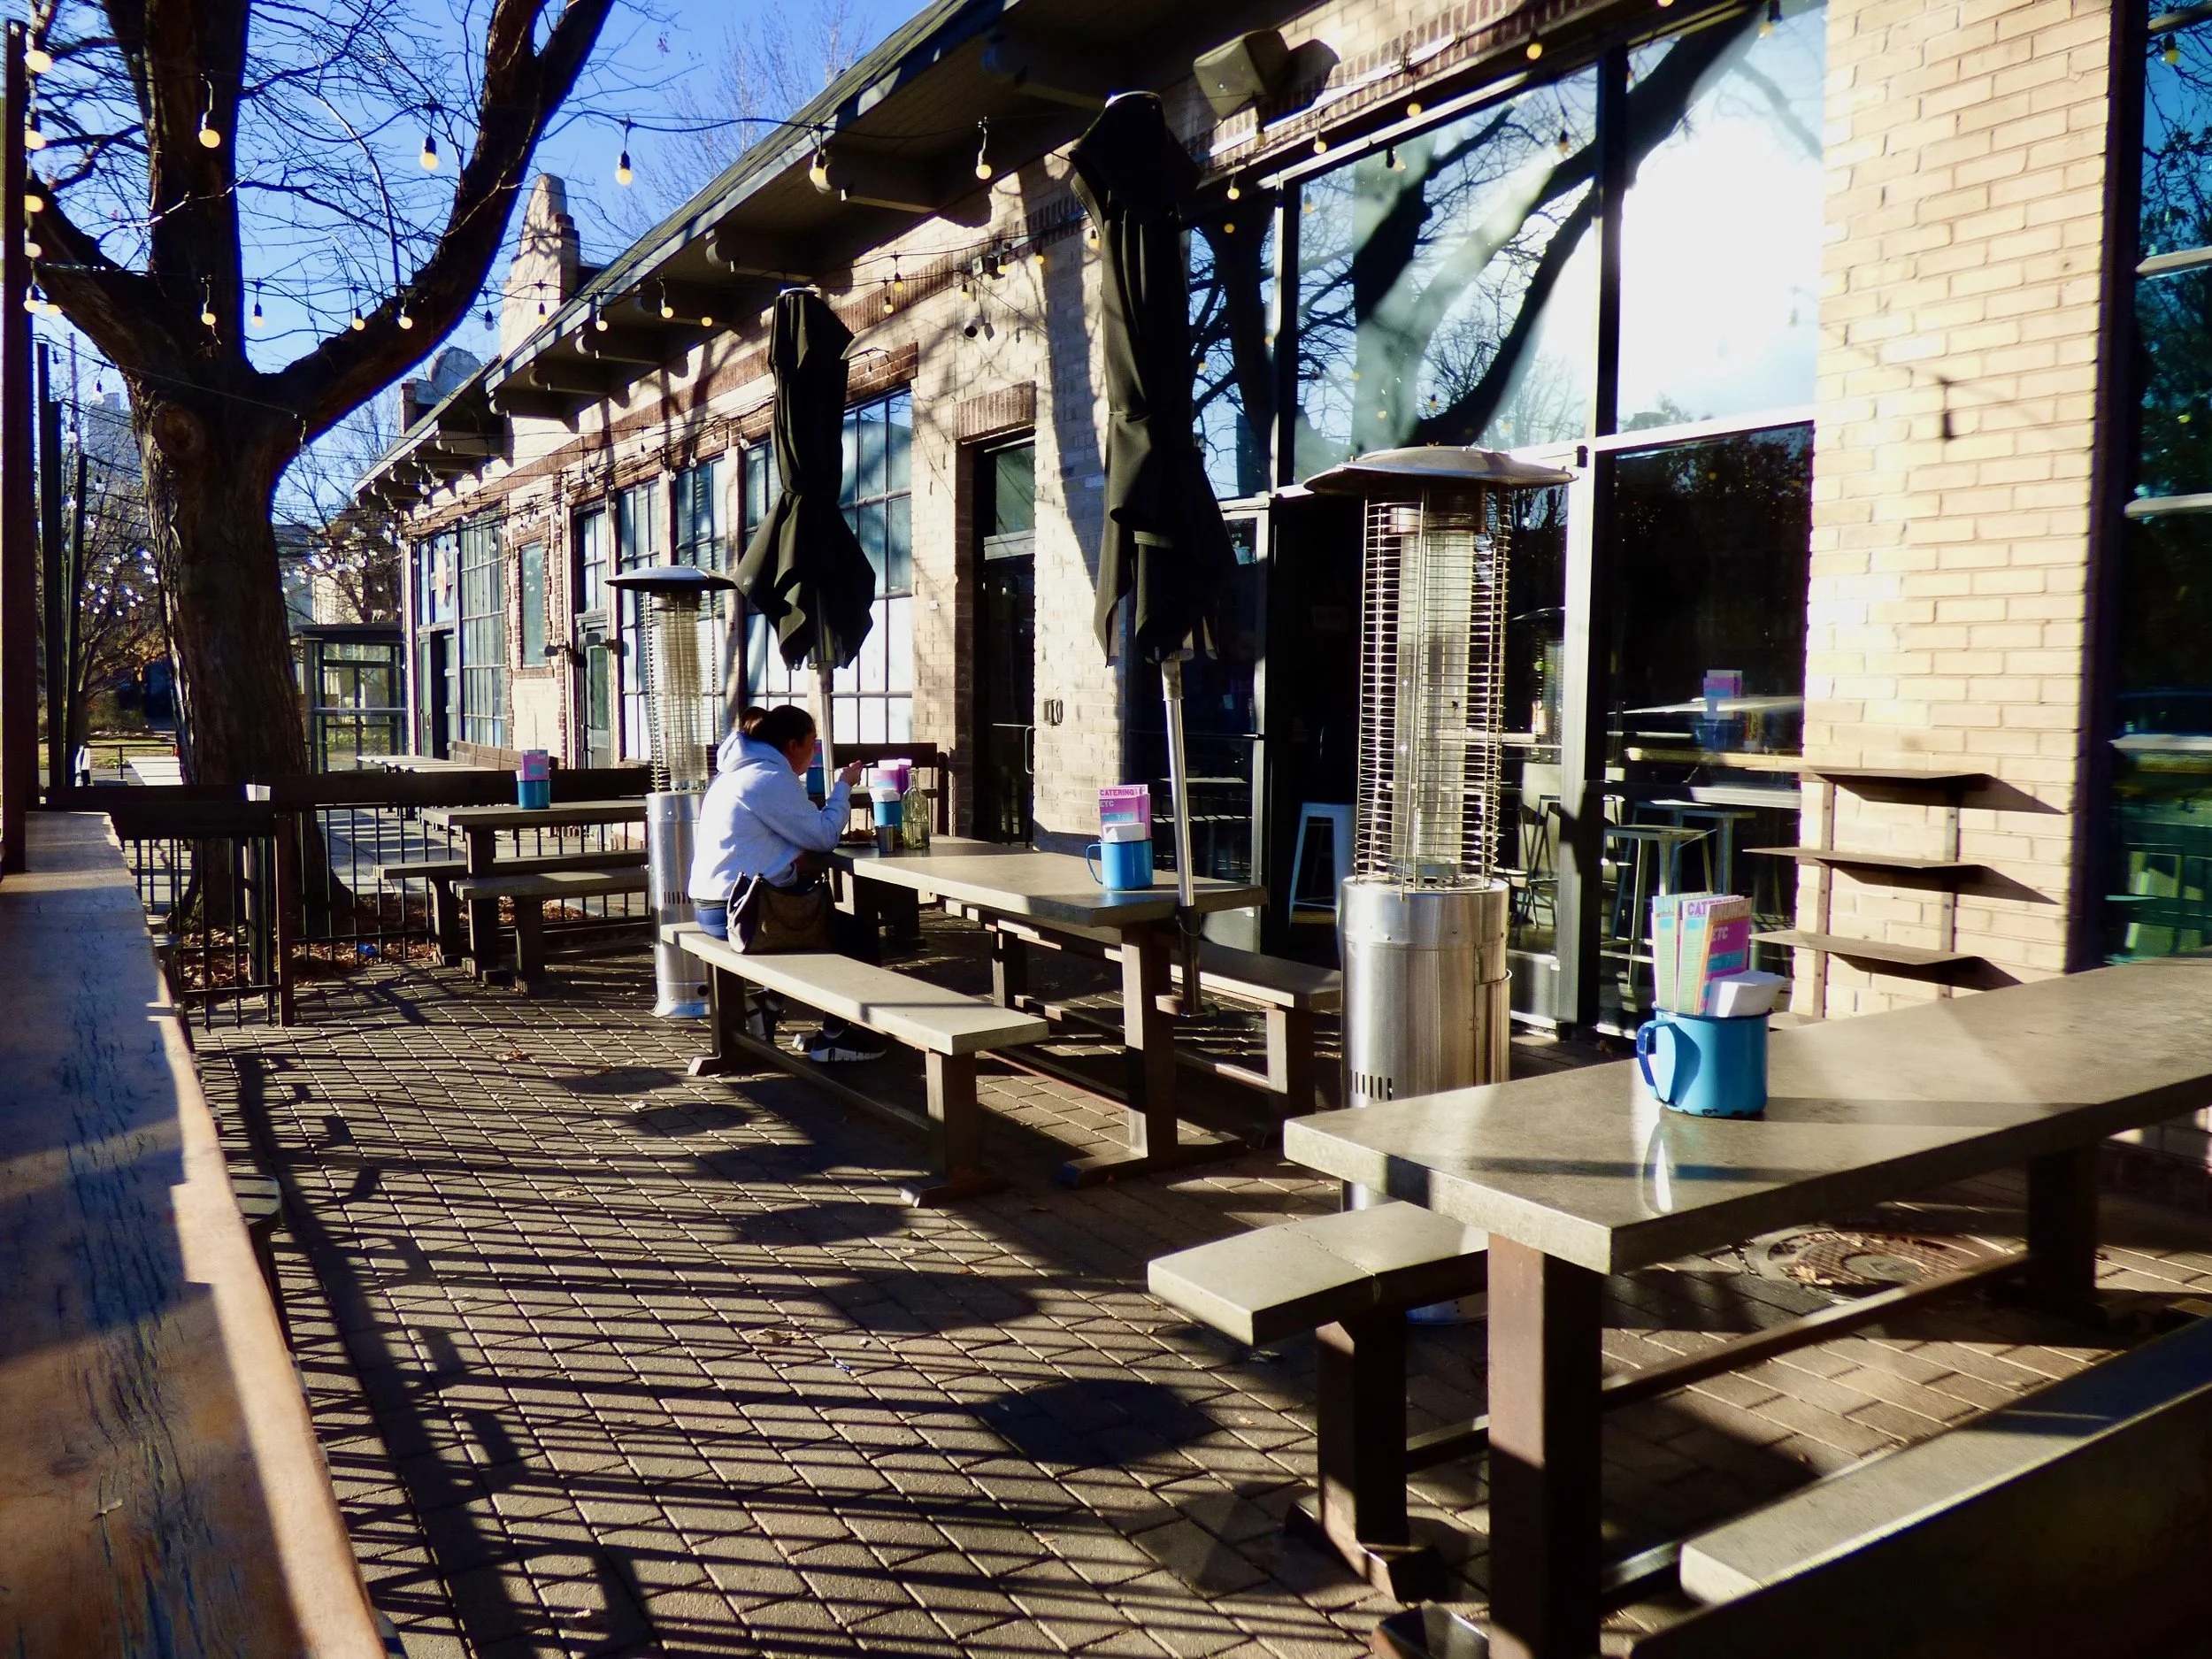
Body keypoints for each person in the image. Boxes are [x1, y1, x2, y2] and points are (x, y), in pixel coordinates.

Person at [689, 703, 887, 1063]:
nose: (813, 754)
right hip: (740, 912)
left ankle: (768, 1004)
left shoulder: (736, 772)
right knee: (855, 934)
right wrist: (843, 786)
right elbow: (825, 836)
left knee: (813, 917)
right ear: (792, 744)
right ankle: (835, 1038)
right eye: (812, 744)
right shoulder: (768, 779)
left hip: (713, 905)